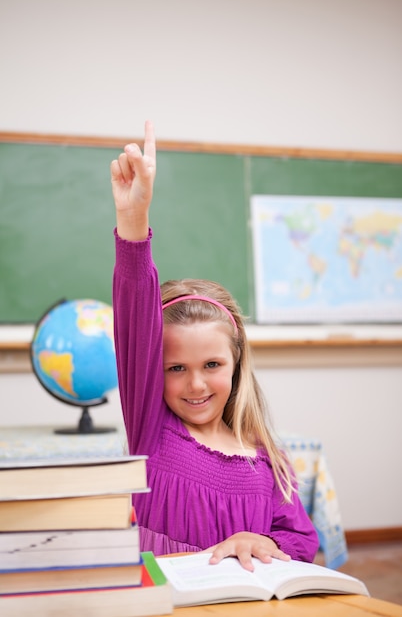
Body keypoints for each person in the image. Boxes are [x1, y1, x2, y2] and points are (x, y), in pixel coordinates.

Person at [110, 120, 319, 572]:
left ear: (236, 362)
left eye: (211, 364)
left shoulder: (269, 460)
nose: (196, 384)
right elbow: (132, 313)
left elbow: (300, 539)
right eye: (175, 368)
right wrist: (133, 220)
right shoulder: (152, 430)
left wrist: (259, 539)